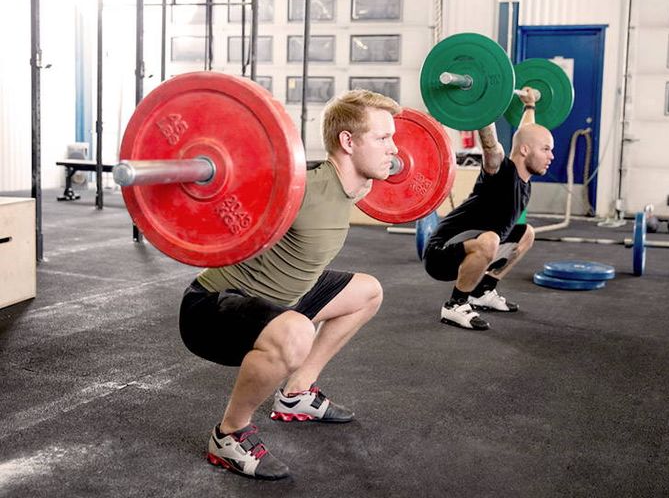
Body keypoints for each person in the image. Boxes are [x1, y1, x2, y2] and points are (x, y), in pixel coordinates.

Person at [178, 89, 400, 480]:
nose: (394, 149)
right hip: (213, 307)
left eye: (392, 138)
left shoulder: (353, 186)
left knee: (368, 291)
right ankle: (229, 434)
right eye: (383, 138)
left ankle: (297, 393)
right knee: (297, 331)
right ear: (347, 142)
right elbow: (235, 204)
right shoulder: (304, 187)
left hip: (283, 299)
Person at [423, 88, 554, 330]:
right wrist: (485, 105)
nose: (551, 155)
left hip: (474, 244)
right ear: (526, 152)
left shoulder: (524, 175)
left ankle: (482, 291)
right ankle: (455, 305)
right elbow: (491, 147)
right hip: (440, 253)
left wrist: (530, 106)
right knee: (490, 240)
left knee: (526, 234)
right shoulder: (501, 172)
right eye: (546, 149)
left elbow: (526, 136)